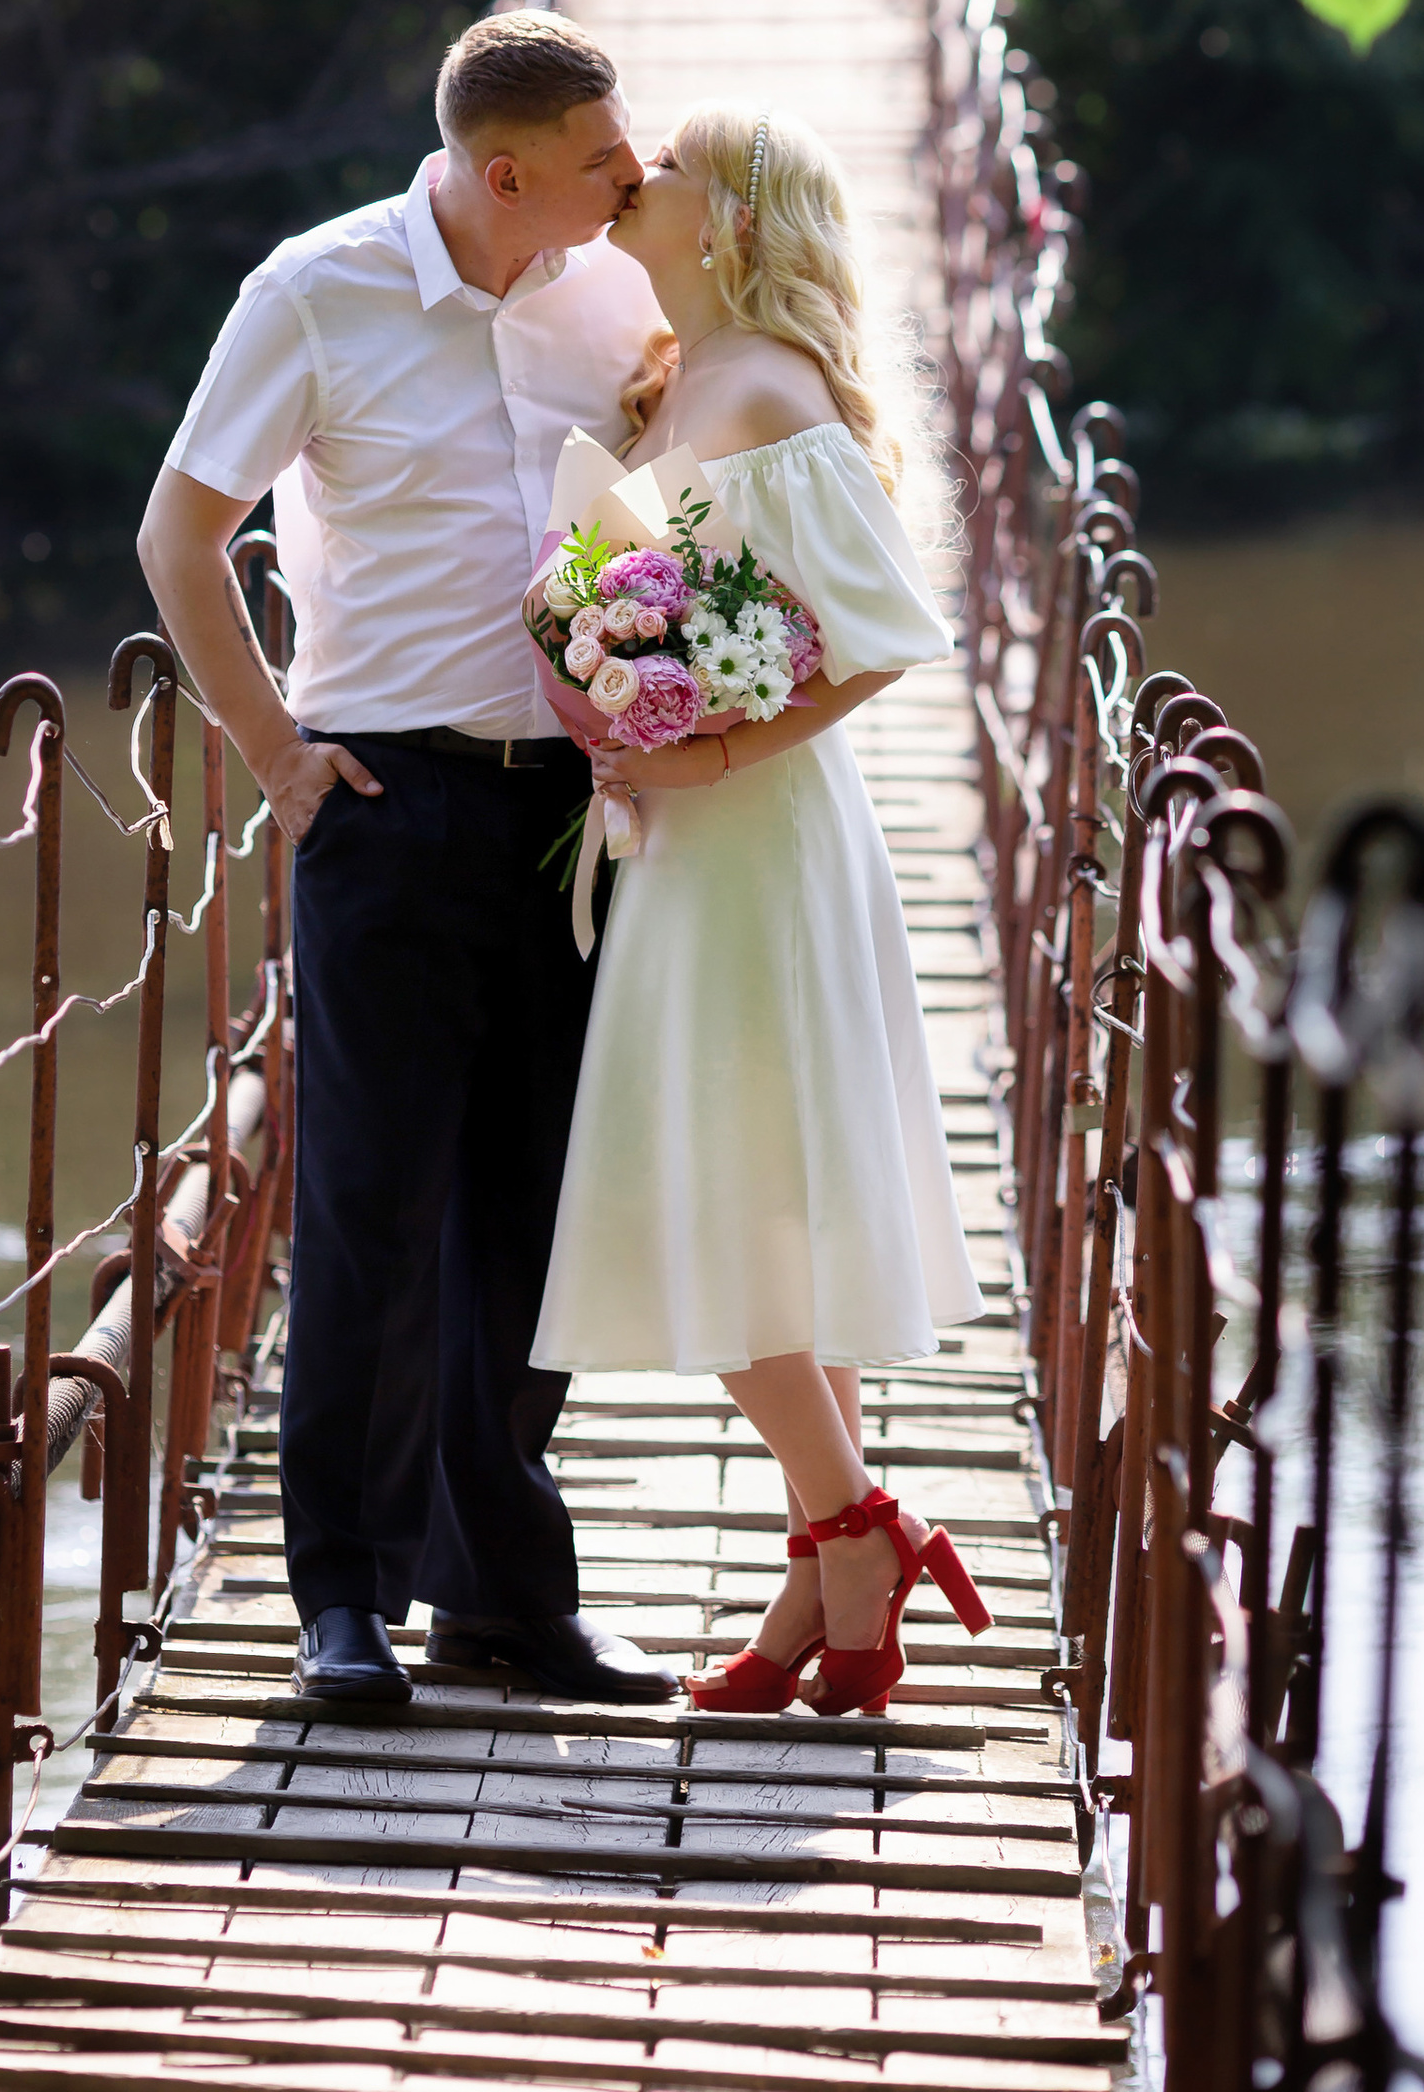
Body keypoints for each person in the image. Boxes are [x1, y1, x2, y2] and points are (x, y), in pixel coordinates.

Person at [137, 7, 682, 1713]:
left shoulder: (615, 287)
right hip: (384, 806)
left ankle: (503, 1598)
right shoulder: (315, 290)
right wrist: (277, 756)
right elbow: (179, 535)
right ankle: (342, 1603)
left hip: (573, 811)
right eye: (605, 157)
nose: (636, 173)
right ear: (506, 173)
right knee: (374, 1212)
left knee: (534, 1209)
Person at [531, 106, 990, 1721]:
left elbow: (877, 635)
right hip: (694, 842)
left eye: (671, 166)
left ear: (729, 219)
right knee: (767, 1205)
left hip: (755, 838)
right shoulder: (682, 367)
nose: (635, 173)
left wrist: (708, 737)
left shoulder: (771, 393)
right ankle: (829, 1601)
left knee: (715, 1201)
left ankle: (863, 1529)